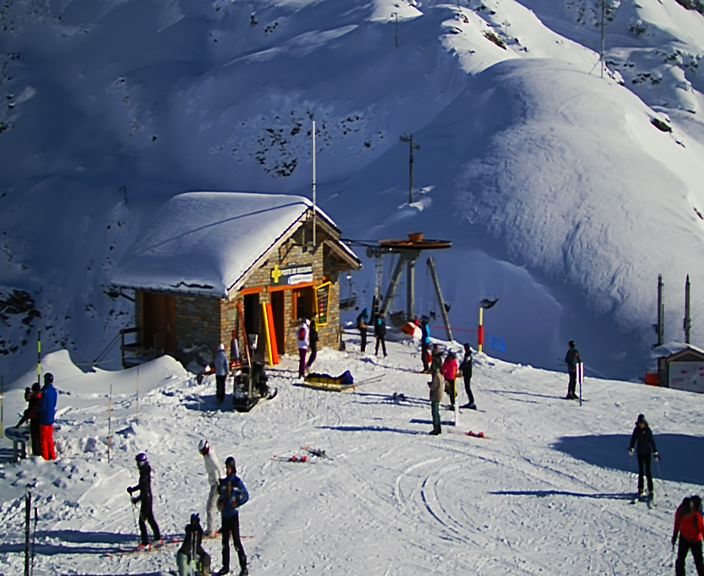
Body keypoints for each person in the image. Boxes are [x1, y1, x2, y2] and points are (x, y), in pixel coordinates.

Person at [217, 456, 249, 576]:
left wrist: (238, 502)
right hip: (224, 515)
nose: (227, 470)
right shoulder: (224, 482)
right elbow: (221, 495)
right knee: (225, 543)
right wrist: (220, 502)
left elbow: (246, 495)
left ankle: (244, 567)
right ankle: (225, 566)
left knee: (236, 542)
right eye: (226, 468)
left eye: (229, 468)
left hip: (233, 516)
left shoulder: (236, 481)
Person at [127, 452, 162, 550]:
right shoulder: (144, 472)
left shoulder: (145, 474)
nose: (138, 465)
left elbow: (144, 490)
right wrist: (133, 489)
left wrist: (136, 499)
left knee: (141, 521)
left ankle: (145, 542)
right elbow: (141, 486)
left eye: (139, 463)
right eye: (137, 462)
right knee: (150, 519)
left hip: (146, 499)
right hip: (147, 498)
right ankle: (158, 538)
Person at [628, 413, 659, 500]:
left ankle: (650, 489)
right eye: (640, 423)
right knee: (641, 472)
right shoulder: (636, 430)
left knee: (648, 472)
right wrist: (631, 448)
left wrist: (655, 452)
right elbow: (633, 440)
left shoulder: (648, 431)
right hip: (640, 453)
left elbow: (652, 442)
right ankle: (640, 489)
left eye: (642, 423)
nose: (641, 425)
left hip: (647, 453)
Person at [672, 495, 704, 576]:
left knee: (699, 562)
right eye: (685, 514)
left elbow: (702, 529)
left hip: (696, 540)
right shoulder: (679, 512)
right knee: (680, 560)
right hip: (684, 537)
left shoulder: (696, 516)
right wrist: (675, 535)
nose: (686, 515)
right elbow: (677, 523)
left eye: (688, 513)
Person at [199, 438, 223, 537]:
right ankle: (227, 527)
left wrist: (221, 482)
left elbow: (219, 468)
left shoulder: (211, 456)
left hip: (217, 484)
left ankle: (211, 531)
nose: (202, 454)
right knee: (220, 506)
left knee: (210, 508)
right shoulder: (208, 455)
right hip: (215, 483)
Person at [17, 383, 43, 456]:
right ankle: (37, 453)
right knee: (35, 439)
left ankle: (38, 455)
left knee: (36, 439)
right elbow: (28, 399)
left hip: (37, 421)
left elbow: (30, 412)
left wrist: (20, 423)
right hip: (35, 421)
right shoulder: (36, 398)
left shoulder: (38, 400)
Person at [39, 372, 58, 460]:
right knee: (50, 438)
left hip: (44, 417)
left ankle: (45, 456)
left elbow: (42, 404)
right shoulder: (54, 391)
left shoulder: (45, 391)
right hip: (51, 417)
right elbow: (54, 403)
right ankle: (52, 455)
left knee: (44, 439)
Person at [428, 345, 444, 435]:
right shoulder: (439, 375)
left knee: (435, 411)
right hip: (438, 393)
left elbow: (434, 386)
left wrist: (430, 385)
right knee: (436, 411)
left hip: (436, 395)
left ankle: (436, 428)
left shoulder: (436, 375)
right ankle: (438, 427)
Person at [459, 343, 476, 410]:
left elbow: (465, 363)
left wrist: (460, 367)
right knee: (467, 388)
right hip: (466, 373)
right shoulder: (467, 354)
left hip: (467, 373)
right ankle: (471, 401)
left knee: (468, 388)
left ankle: (471, 402)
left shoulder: (468, 355)